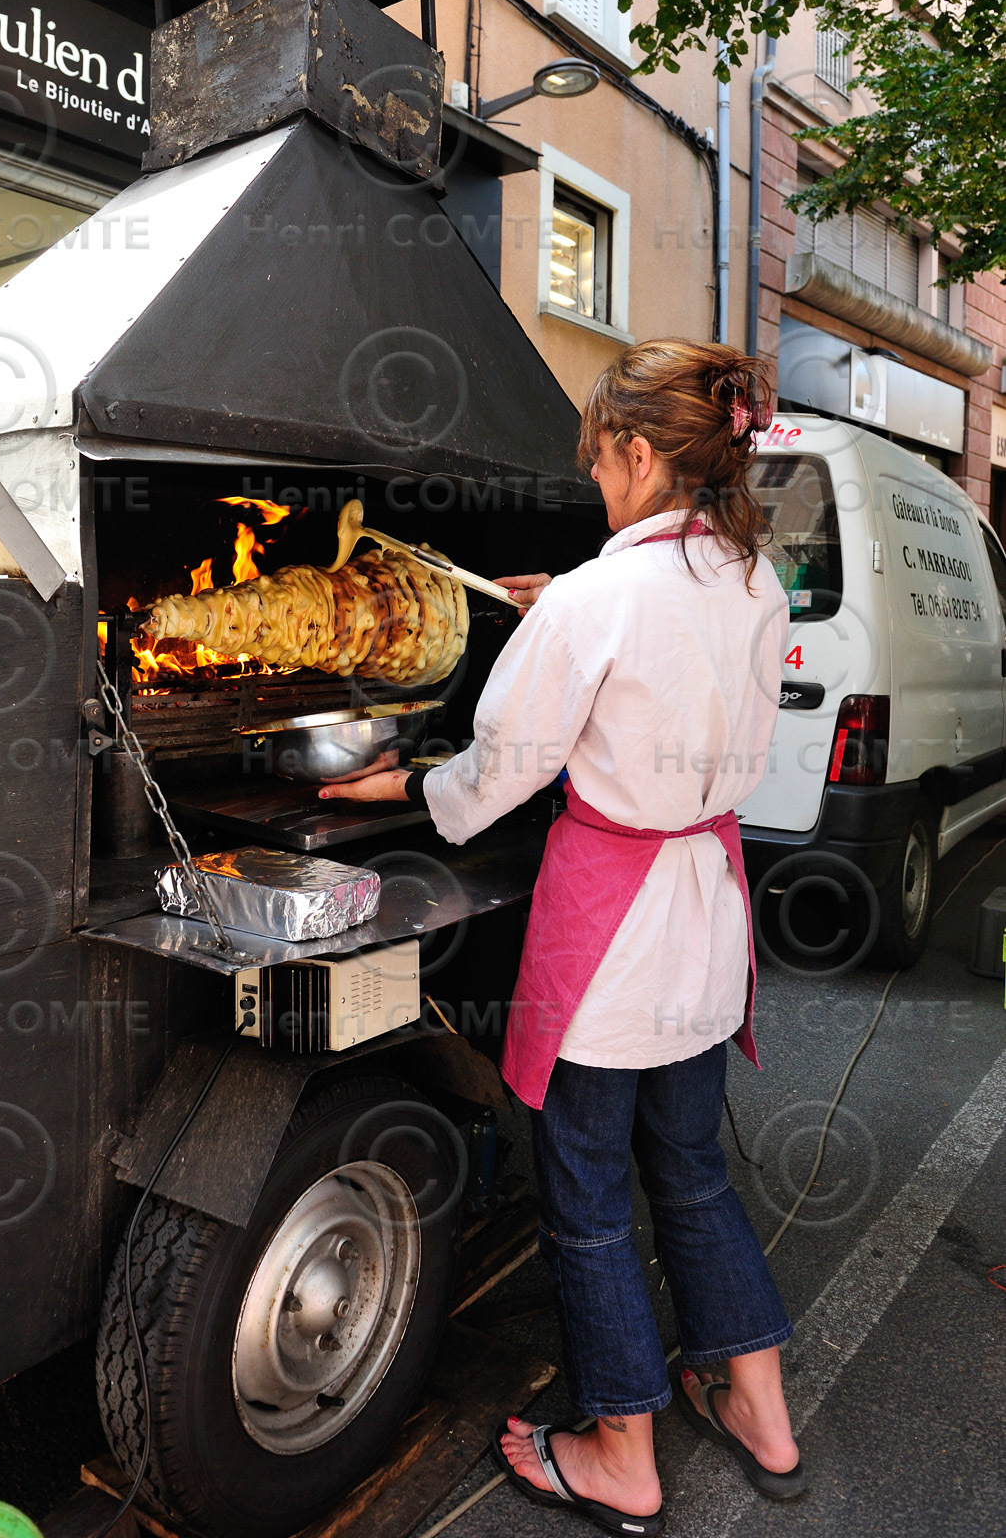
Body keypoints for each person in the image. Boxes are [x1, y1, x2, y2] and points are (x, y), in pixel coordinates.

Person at [319, 340, 804, 1533]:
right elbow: (649, 652)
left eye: (596, 459)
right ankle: (760, 1412)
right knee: (688, 1174)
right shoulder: (751, 580)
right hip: (704, 906)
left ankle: (620, 1451)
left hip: (615, 929)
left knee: (583, 1191)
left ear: (641, 453)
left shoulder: (598, 597)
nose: (593, 478)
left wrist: (395, 791)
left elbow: (498, 774)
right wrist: (561, 605)